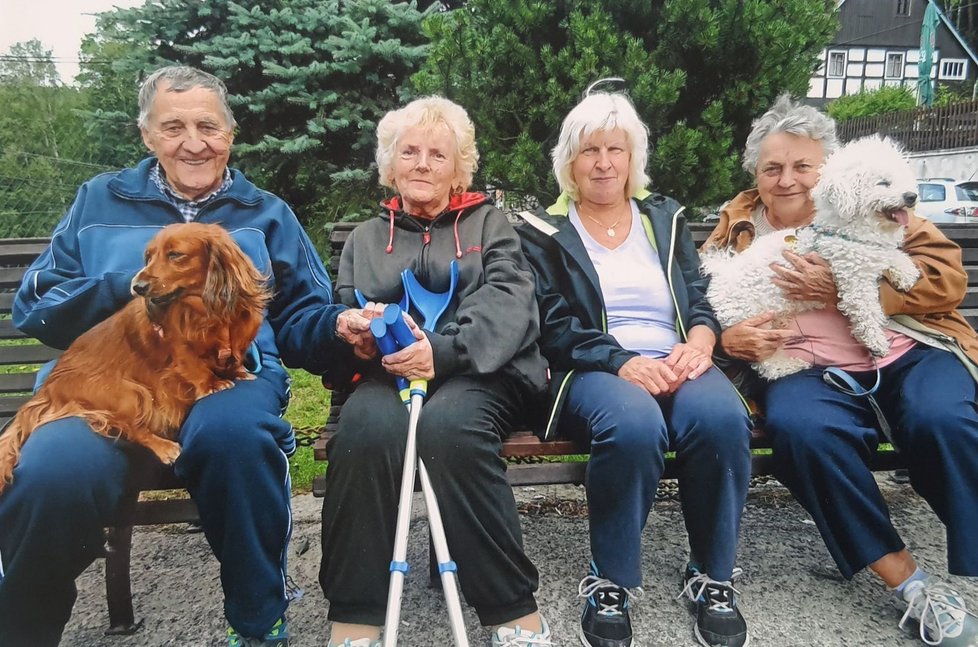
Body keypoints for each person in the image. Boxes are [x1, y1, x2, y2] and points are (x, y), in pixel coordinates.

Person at [0, 65, 375, 647]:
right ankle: (24, 630)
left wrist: (341, 328)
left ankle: (257, 623)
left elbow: (303, 317)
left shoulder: (267, 213)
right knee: (52, 470)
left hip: (230, 373)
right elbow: (37, 307)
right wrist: (143, 285)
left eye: (208, 126)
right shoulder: (99, 200)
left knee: (237, 437)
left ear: (230, 133)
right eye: (172, 127)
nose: (193, 143)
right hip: (112, 384)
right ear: (147, 135)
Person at [703, 94, 978, 646]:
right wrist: (729, 340)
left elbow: (947, 278)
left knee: (943, 417)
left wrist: (863, 292)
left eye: (803, 165)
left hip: (907, 350)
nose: (787, 180)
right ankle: (910, 583)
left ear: (829, 169)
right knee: (803, 433)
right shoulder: (736, 226)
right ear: (756, 175)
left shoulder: (880, 205)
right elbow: (702, 304)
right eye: (772, 168)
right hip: (806, 368)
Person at [517, 90, 752, 647]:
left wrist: (700, 338)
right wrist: (623, 362)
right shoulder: (542, 231)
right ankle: (611, 579)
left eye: (615, 150)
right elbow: (551, 326)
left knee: (721, 419)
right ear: (568, 162)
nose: (603, 163)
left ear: (632, 158)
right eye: (589, 150)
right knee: (634, 425)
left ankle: (711, 576)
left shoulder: (662, 217)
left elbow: (697, 293)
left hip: (676, 355)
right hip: (594, 368)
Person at [319, 96, 552, 647]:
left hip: (481, 373)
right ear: (391, 163)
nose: (423, 164)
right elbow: (347, 306)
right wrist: (356, 333)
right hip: (391, 376)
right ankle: (355, 618)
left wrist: (443, 352)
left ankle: (511, 612)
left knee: (450, 430)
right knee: (365, 432)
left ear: (457, 167)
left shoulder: (490, 223)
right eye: (410, 152)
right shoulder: (366, 239)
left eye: (437, 154)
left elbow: (509, 300)